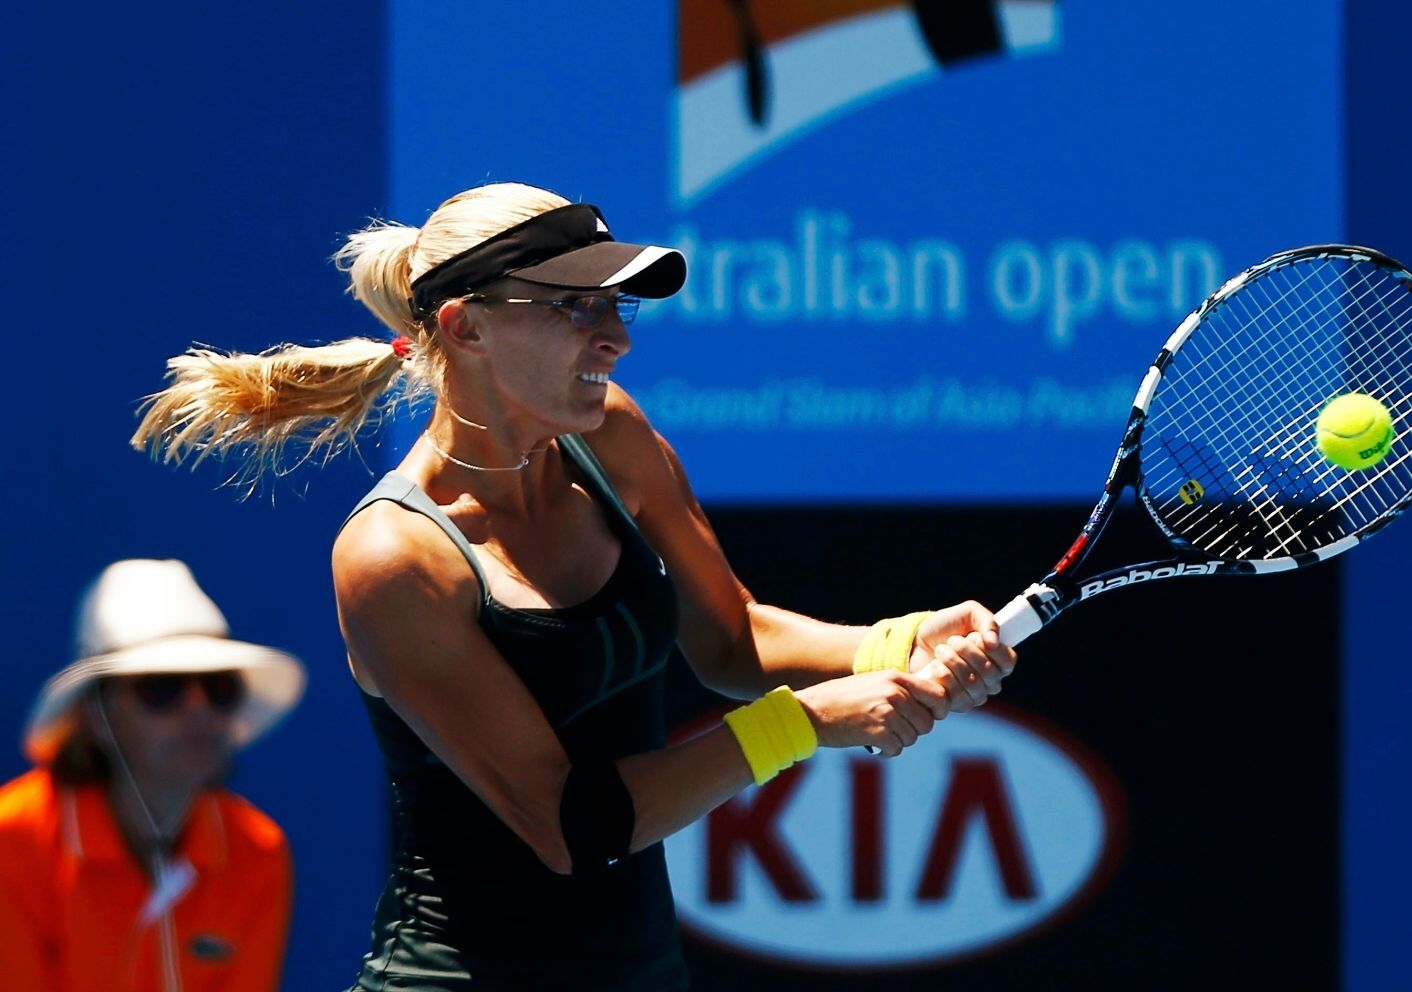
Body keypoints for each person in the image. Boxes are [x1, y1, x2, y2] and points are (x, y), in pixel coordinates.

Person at [131, 182, 1016, 990]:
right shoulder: (395, 558)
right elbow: (572, 826)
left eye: (614, 304)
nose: (617, 338)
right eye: (572, 308)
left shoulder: (611, 435)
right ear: (464, 326)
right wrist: (809, 720)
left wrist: (899, 641)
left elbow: (731, 638)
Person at [0, 558, 305, 991]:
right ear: (97, 715)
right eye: (162, 687)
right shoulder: (11, 840)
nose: (198, 710)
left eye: (219, 687)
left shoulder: (259, 851)